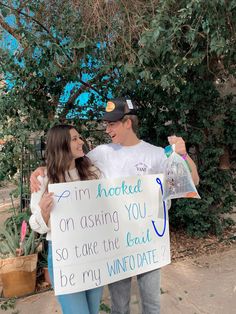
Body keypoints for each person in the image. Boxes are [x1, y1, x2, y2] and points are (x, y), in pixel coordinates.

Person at [30, 98, 199, 314]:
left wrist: (183, 155)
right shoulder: (101, 153)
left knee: (152, 304)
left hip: (147, 242)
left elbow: (191, 181)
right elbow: (68, 163)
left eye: (112, 124)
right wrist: (42, 169)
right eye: (106, 124)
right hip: (115, 244)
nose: (107, 129)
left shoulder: (156, 154)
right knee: (119, 307)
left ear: (127, 123)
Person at [29, 124, 103, 314]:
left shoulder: (92, 172)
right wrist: (44, 213)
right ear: (61, 145)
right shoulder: (44, 179)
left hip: (93, 251)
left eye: (80, 137)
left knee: (93, 310)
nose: (81, 142)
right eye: (75, 139)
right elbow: (35, 224)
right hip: (65, 255)